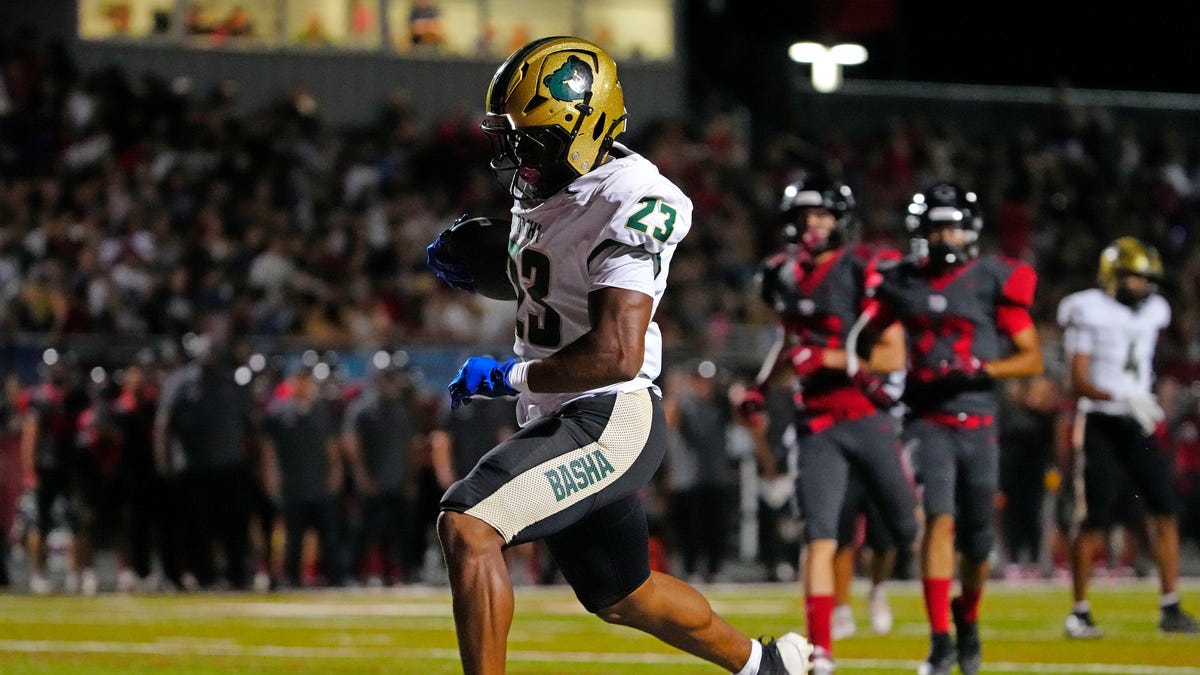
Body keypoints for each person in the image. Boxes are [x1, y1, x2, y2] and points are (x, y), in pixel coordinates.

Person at [424, 36, 812, 675]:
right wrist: (498, 264)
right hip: (562, 414)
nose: (517, 158)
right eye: (510, 140)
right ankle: (767, 665)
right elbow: (557, 277)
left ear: (583, 130)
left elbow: (616, 354)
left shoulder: (631, 197)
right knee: (625, 595)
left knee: (469, 524)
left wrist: (509, 375)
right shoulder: (558, 184)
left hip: (608, 416)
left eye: (531, 142)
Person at [742, 174, 917, 674]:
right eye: (804, 216)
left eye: (821, 215)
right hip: (817, 422)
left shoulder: (863, 269)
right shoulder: (782, 273)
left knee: (903, 527)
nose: (811, 224)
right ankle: (821, 651)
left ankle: (882, 590)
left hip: (867, 416)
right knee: (819, 536)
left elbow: (892, 355)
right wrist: (760, 386)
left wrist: (829, 357)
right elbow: (788, 341)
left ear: (840, 220)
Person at [868, 182, 1044, 675]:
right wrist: (874, 373)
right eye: (935, 228)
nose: (944, 237)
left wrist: (983, 369)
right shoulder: (902, 281)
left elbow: (1030, 357)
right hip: (926, 419)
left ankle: (967, 616)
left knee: (979, 538)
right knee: (938, 518)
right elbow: (867, 336)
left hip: (980, 419)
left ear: (970, 231)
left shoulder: (992, 279)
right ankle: (940, 637)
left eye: (952, 227)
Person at [1056, 236, 1199, 637]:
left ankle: (1171, 605)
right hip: (1101, 422)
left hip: (1139, 422)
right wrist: (1122, 397)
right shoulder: (1088, 309)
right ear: (1112, 277)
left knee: (1165, 508)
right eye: (1134, 277)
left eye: (1146, 278)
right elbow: (1076, 380)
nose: (1142, 285)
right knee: (1092, 517)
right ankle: (1080, 611)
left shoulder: (1156, 310)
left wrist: (1143, 397)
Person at [342, 364, 420, 585]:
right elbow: (352, 444)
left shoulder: (404, 408)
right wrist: (363, 476)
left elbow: (412, 446)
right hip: (373, 482)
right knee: (365, 530)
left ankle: (400, 573)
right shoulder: (362, 408)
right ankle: (355, 573)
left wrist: (411, 478)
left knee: (401, 531)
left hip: (398, 480)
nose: (391, 383)